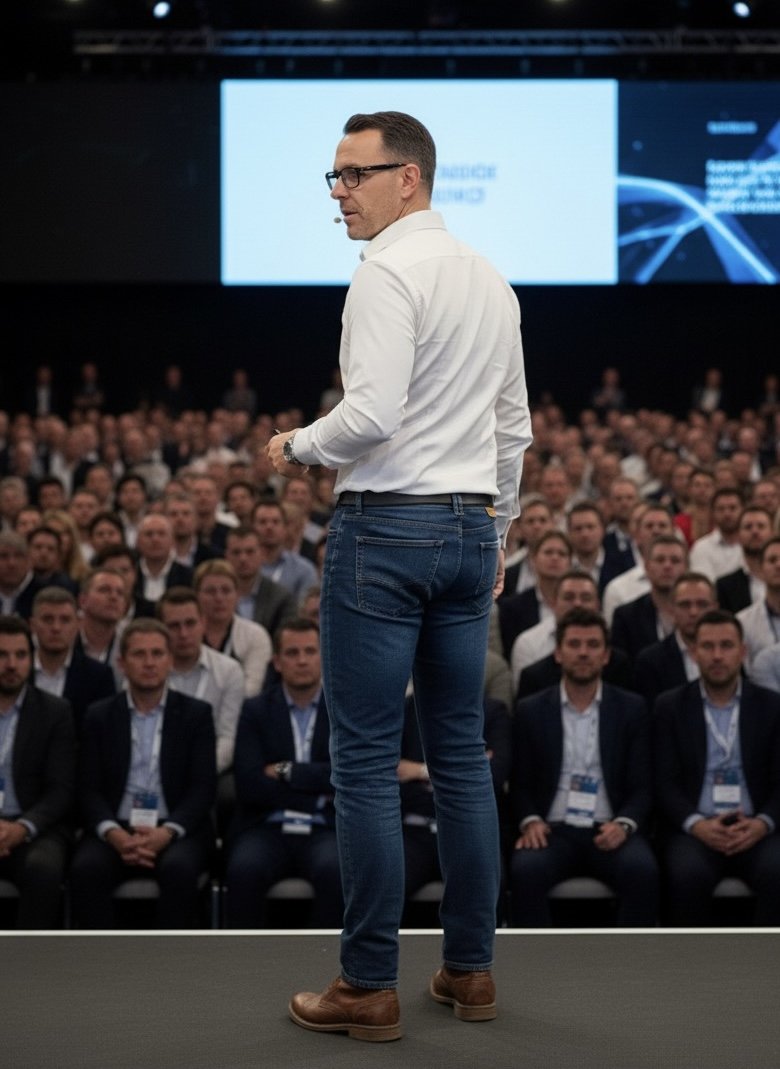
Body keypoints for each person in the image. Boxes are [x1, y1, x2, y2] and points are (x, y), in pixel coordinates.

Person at [269, 111, 531, 1040]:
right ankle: (470, 971)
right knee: (460, 755)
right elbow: (513, 433)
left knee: (368, 761)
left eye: (353, 174)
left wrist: (296, 443)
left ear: (407, 178)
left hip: (387, 530)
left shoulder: (385, 272)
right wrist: (498, 531)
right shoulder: (491, 280)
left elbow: (370, 414)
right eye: (334, 177)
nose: (338, 191)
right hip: (468, 528)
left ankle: (368, 983)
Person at [509, 608, 658, 928]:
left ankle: (636, 971)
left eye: (592, 645)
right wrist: (530, 821)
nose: (583, 652)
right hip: (553, 830)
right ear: (558, 654)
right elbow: (519, 783)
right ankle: (532, 971)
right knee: (525, 870)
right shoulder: (530, 710)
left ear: (606, 656)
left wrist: (625, 824)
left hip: (611, 827)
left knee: (642, 870)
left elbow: (643, 784)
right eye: (574, 644)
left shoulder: (631, 709)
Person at [69, 619, 217, 929]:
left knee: (180, 868)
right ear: (122, 663)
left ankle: (171, 968)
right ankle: (95, 967)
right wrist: (116, 834)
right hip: (115, 827)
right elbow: (87, 788)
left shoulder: (196, 715)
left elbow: (203, 788)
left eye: (156, 654)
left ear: (170, 661)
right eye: (139, 654)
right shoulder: (99, 715)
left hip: (175, 827)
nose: (149, 663)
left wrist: (167, 832)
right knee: (86, 868)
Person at [653, 610, 780, 926]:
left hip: (756, 828)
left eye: (726, 645)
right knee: (685, 875)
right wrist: (698, 825)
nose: (717, 655)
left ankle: (767, 972)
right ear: (694, 652)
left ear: (743, 651)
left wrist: (762, 824)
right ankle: (691, 974)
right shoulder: (670, 706)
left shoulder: (771, 706)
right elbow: (664, 783)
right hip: (697, 829)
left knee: (777, 872)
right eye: (708, 647)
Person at [225, 619, 342, 928]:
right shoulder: (256, 710)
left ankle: (334, 968)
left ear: (324, 656)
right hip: (267, 827)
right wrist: (316, 796)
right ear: (276, 662)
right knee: (243, 870)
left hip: (325, 829)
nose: (301, 660)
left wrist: (285, 770)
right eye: (291, 653)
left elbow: (344, 776)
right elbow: (249, 783)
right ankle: (244, 968)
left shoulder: (342, 710)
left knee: (337, 870)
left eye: (309, 651)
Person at [0, 615, 77, 928]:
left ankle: (32, 971)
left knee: (42, 868)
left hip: (35, 829)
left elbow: (61, 789)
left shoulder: (54, 711)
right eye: (2, 655)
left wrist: (22, 827)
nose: (11, 664)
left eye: (20, 655)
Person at [30, 586, 116, 732]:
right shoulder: (14, 671)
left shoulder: (99, 677)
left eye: (65, 620)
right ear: (32, 625)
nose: (56, 628)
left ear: (78, 624)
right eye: (47, 619)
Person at [634, 572, 717, 708]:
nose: (693, 612)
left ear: (715, 608)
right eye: (685, 605)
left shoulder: (730, 653)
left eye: (702, 604)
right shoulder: (650, 661)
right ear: (671, 609)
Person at [194, 559, 272, 699]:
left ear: (237, 595)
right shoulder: (186, 634)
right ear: (197, 596)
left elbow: (252, 689)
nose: (219, 598)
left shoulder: (255, 635)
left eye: (226, 590)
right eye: (210, 591)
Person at [610, 534, 688, 661]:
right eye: (660, 560)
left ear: (686, 568)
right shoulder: (626, 617)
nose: (667, 566)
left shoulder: (698, 613)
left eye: (675, 560)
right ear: (646, 567)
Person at [715, 506, 773, 614]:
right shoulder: (725, 586)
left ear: (772, 533)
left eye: (761, 526)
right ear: (738, 535)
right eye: (748, 527)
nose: (755, 531)